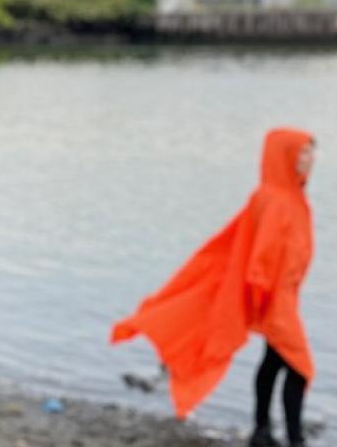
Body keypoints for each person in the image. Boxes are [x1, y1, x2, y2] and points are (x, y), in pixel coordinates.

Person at [111, 128, 316, 447]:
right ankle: (294, 439)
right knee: (300, 366)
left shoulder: (289, 197)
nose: (310, 160)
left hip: (286, 296)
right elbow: (261, 253)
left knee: (275, 361)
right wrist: (260, 295)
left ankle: (262, 432)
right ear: (285, 155)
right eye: (303, 152)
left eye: (311, 152)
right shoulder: (275, 199)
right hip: (277, 300)